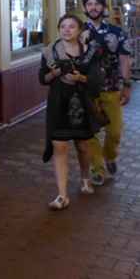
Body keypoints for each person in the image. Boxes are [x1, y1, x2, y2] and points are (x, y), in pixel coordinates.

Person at [40, 14, 103, 210]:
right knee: (59, 146)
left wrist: (81, 78)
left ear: (79, 30)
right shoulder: (50, 52)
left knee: (83, 146)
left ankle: (85, 177)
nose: (66, 30)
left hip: (81, 104)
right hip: (58, 104)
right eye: (63, 26)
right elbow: (43, 78)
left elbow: (96, 81)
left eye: (72, 27)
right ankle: (62, 195)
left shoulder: (89, 52)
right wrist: (55, 73)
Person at [80, 0, 133, 186]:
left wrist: (126, 85)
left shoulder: (117, 32)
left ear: (103, 7)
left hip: (111, 87)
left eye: (97, 4)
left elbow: (124, 59)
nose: (93, 7)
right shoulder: (77, 31)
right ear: (85, 8)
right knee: (89, 131)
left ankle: (110, 155)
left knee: (115, 131)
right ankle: (98, 168)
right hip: (85, 88)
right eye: (89, 4)